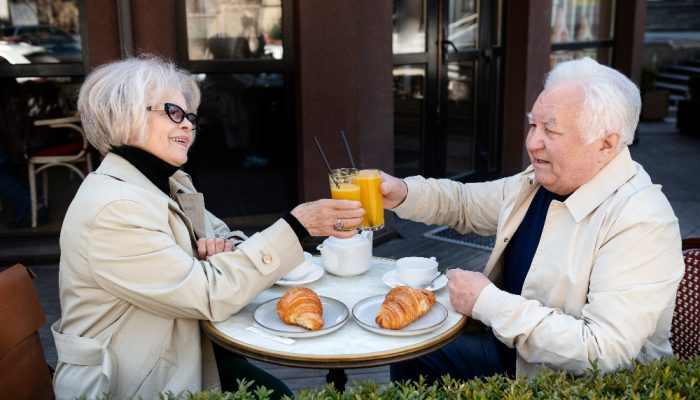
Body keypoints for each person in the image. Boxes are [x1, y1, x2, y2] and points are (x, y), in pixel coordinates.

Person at [51, 55, 365, 400]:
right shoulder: (116, 207)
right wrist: (298, 224)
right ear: (125, 113)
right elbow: (210, 295)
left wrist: (222, 256)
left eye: (190, 116)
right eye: (173, 112)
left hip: (185, 353)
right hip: (134, 381)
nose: (188, 125)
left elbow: (227, 238)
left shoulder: (168, 182)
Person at [381, 57, 685, 381]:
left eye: (550, 129)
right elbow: (465, 203)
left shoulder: (642, 220)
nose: (531, 142)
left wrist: (487, 302)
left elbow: (602, 350)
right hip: (511, 351)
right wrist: (401, 192)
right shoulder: (544, 181)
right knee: (413, 351)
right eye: (533, 125)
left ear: (607, 143)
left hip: (563, 384)